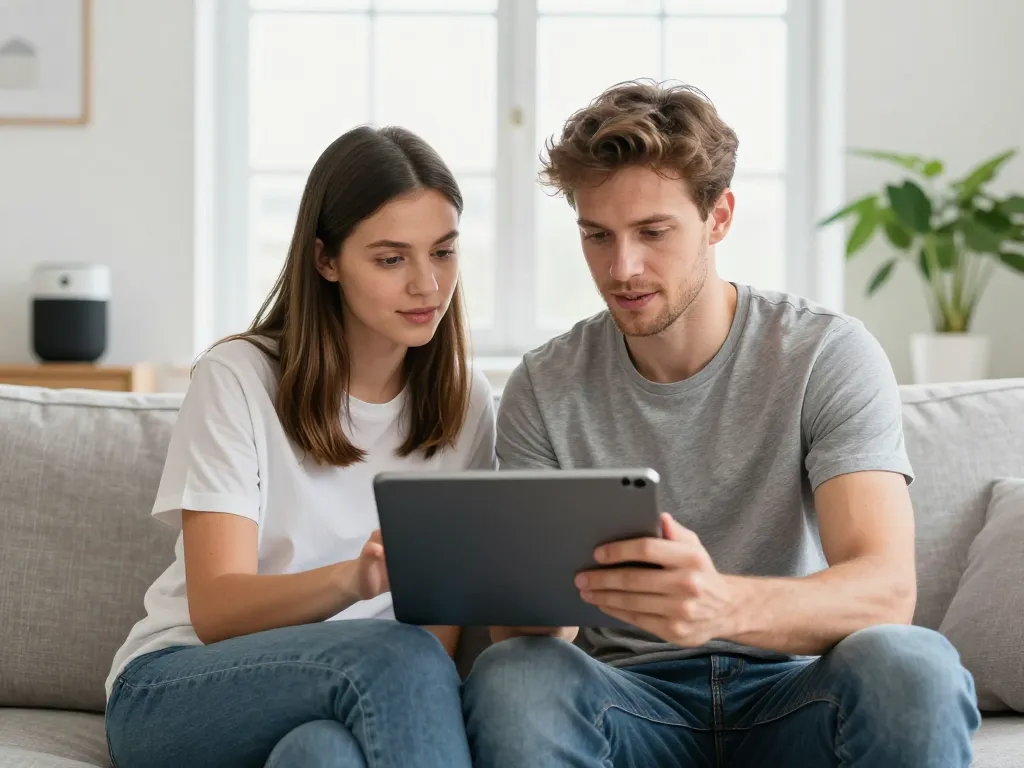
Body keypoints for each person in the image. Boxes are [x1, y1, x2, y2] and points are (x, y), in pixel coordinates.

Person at [463, 80, 981, 767]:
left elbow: (885, 589)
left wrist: (720, 606)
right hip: (629, 702)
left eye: (653, 232)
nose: (622, 268)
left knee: (913, 666)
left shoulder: (824, 353)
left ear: (719, 217)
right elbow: (525, 637)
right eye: (597, 236)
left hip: (793, 693)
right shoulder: (544, 384)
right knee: (515, 675)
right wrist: (526, 587)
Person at [104, 125, 496, 768]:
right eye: (391, 259)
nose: (428, 285)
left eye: (444, 252)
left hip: (357, 694)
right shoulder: (238, 377)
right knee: (399, 657)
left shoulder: (466, 401)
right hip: (182, 686)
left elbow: (436, 631)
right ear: (326, 260)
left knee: (323, 756)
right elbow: (217, 609)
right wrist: (351, 581)